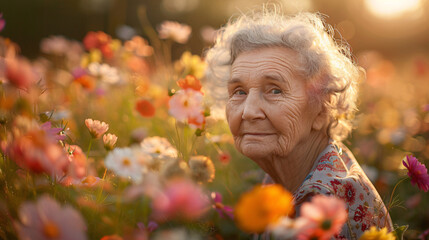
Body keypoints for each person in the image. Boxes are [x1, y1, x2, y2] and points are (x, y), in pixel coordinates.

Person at [204, 7, 393, 239]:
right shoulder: (299, 174)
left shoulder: (320, 208)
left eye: (275, 90)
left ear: (323, 109)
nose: (249, 112)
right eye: (239, 91)